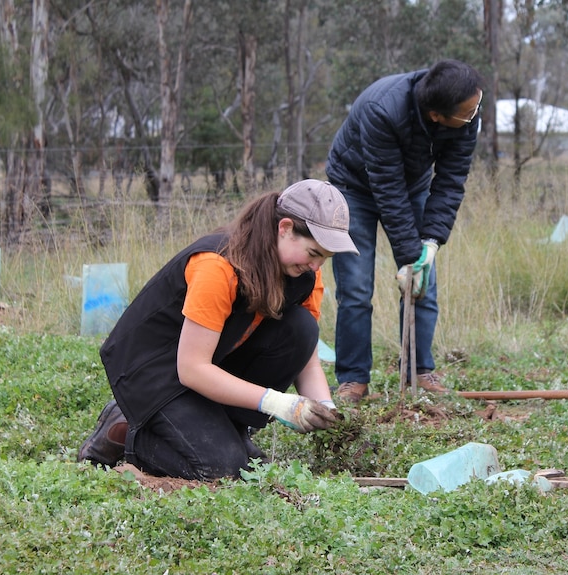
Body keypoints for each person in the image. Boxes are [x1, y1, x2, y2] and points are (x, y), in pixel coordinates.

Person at [77, 179, 358, 480]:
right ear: (285, 228)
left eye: (324, 259)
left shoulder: (304, 275)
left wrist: (325, 409)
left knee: (301, 329)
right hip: (154, 372)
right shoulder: (217, 266)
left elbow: (306, 353)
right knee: (222, 470)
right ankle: (129, 433)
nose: (317, 266)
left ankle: (229, 430)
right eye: (313, 252)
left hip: (210, 362)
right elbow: (191, 369)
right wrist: (278, 403)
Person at [325, 59, 483, 403]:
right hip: (354, 186)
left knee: (423, 280)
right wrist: (410, 256)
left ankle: (418, 370)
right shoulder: (381, 109)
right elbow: (387, 191)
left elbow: (451, 181)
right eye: (468, 113)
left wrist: (430, 245)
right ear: (436, 115)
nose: (475, 114)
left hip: (411, 186)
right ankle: (353, 379)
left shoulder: (467, 115)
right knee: (355, 287)